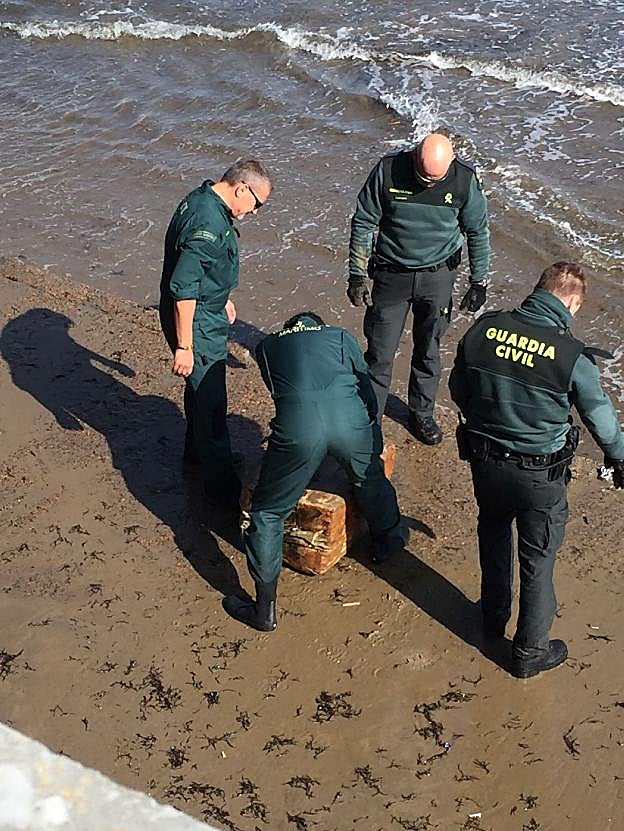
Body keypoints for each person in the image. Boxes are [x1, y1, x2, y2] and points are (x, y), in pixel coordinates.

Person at [449, 262, 624, 679]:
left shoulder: (483, 330)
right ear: (572, 303)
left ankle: (493, 617)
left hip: (486, 461)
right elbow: (601, 421)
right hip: (539, 474)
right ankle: (529, 652)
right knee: (538, 558)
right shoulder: (572, 356)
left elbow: (459, 388)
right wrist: (618, 458)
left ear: (538, 289)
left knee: (493, 531)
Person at [222, 312, 409, 632]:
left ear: (290, 328)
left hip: (299, 430)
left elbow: (282, 393)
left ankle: (264, 609)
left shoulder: (266, 347)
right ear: (318, 325)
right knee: (369, 477)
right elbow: (366, 389)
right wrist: (372, 439)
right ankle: (388, 540)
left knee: (268, 512)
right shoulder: (341, 336)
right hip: (350, 422)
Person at [347, 131, 490, 445]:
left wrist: (479, 281)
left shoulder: (464, 181)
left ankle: (421, 414)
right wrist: (357, 274)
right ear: (414, 155)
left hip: (437, 278)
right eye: (423, 177)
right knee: (380, 353)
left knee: (429, 350)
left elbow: (478, 231)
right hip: (391, 276)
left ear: (451, 163)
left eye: (435, 180)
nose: (427, 184)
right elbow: (364, 221)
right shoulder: (387, 170)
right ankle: (370, 418)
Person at [159, 159, 271, 510]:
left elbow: (200, 269)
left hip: (206, 310)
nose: (255, 212)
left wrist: (222, 296)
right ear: (241, 188)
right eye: (257, 203)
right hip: (196, 323)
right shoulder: (208, 223)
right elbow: (184, 288)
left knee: (199, 391)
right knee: (211, 401)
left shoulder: (203, 198)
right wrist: (185, 346)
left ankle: (195, 453)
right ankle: (222, 491)